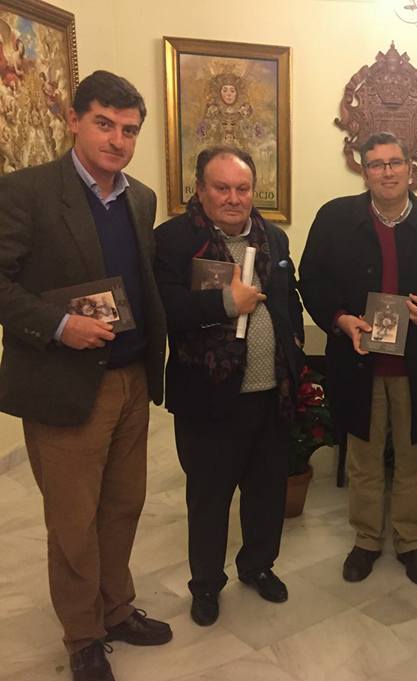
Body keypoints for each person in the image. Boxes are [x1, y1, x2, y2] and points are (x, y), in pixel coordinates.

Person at [0, 71, 171, 681]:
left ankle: (117, 608)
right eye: (104, 123)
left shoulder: (141, 198)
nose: (117, 140)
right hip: (65, 383)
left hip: (130, 378)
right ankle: (82, 636)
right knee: (73, 521)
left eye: (129, 130)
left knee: (123, 506)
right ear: (73, 120)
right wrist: (59, 324)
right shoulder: (26, 192)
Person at [299, 132, 417, 586]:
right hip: (359, 361)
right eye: (376, 164)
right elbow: (311, 280)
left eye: (395, 162)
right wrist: (340, 319)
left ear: (412, 168)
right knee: (363, 456)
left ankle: (411, 541)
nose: (387, 171)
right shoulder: (334, 219)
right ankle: (367, 539)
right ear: (363, 170)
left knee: (415, 457)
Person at [154, 146, 305, 627]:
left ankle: (258, 565)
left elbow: (289, 297)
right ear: (200, 189)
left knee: (266, 492)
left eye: (242, 188)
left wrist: (294, 342)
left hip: (269, 393)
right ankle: (205, 585)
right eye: (222, 188)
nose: (234, 198)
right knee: (209, 498)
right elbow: (165, 310)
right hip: (208, 399)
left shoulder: (273, 238)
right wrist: (223, 303)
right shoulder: (174, 241)